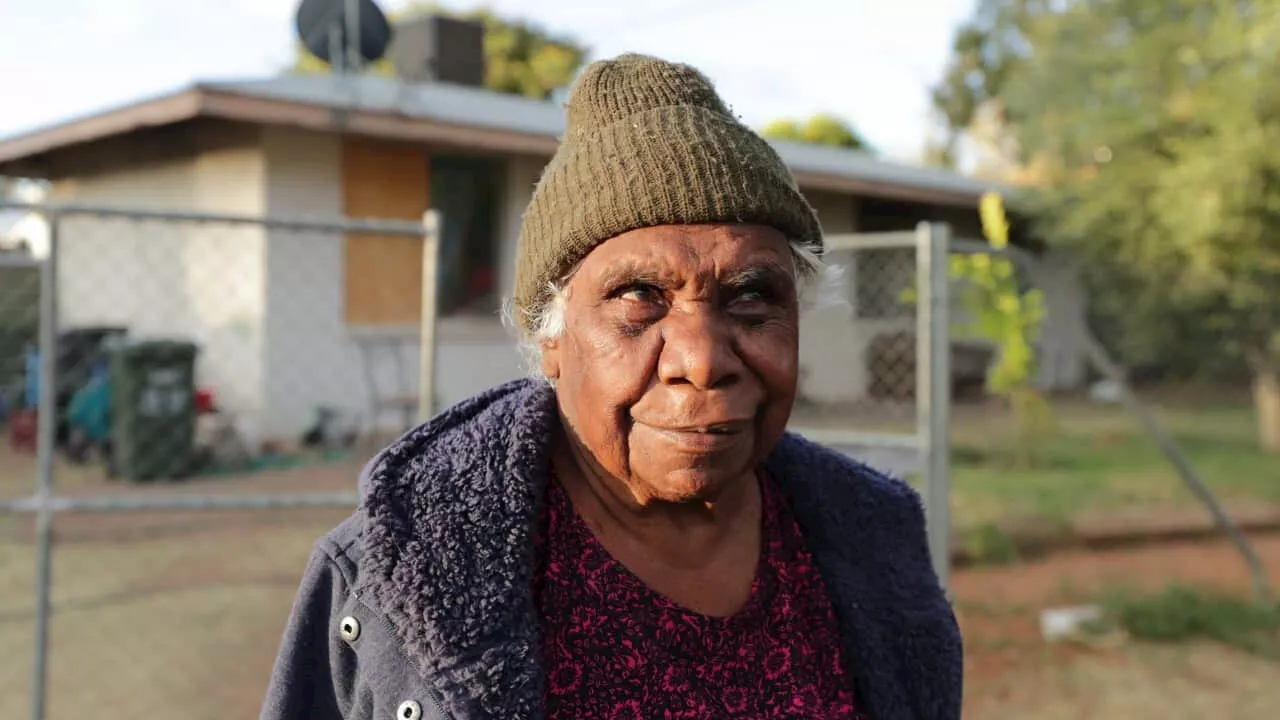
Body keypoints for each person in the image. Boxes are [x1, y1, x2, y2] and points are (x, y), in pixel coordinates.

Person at [260, 53, 962, 720]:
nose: (700, 358)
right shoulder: (388, 577)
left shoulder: (873, 545)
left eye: (752, 296)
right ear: (552, 338)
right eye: (637, 296)